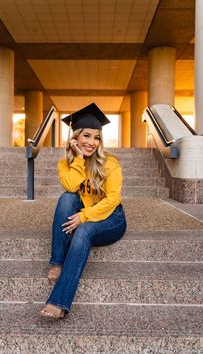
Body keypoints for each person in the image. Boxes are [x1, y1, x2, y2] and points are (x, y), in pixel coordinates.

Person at [40, 103, 127, 319]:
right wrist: (78, 159)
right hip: (85, 212)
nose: (91, 142)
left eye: (96, 138)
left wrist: (84, 216)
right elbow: (71, 186)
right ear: (76, 138)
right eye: (86, 136)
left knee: (84, 231)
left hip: (112, 218)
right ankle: (58, 261)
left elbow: (113, 198)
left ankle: (59, 302)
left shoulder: (110, 163)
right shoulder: (65, 163)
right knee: (67, 197)